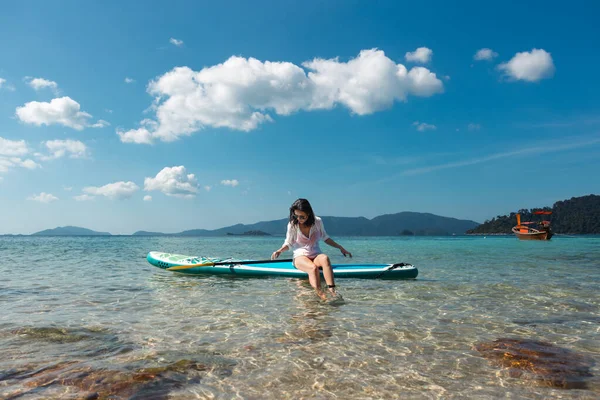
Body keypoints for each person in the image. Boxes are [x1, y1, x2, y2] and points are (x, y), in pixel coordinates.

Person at [271, 198, 352, 300]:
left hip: (315, 254)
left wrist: (340, 248)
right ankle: (321, 295)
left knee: (325, 258)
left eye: (302, 217)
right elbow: (289, 243)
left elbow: (325, 238)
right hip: (300, 256)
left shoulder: (317, 221)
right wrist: (279, 250)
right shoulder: (292, 225)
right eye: (296, 216)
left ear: (309, 214)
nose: (298, 219)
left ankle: (332, 291)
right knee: (313, 268)